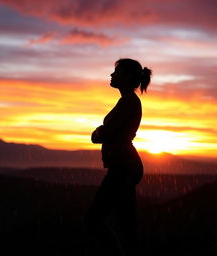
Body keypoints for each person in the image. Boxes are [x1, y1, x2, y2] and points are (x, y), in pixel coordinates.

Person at [83, 58, 152, 255]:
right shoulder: (127, 101)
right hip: (124, 168)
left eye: (117, 72)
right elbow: (108, 132)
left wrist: (97, 133)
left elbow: (106, 133)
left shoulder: (129, 102)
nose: (112, 75)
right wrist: (100, 133)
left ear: (128, 76)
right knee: (125, 224)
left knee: (94, 220)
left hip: (124, 169)